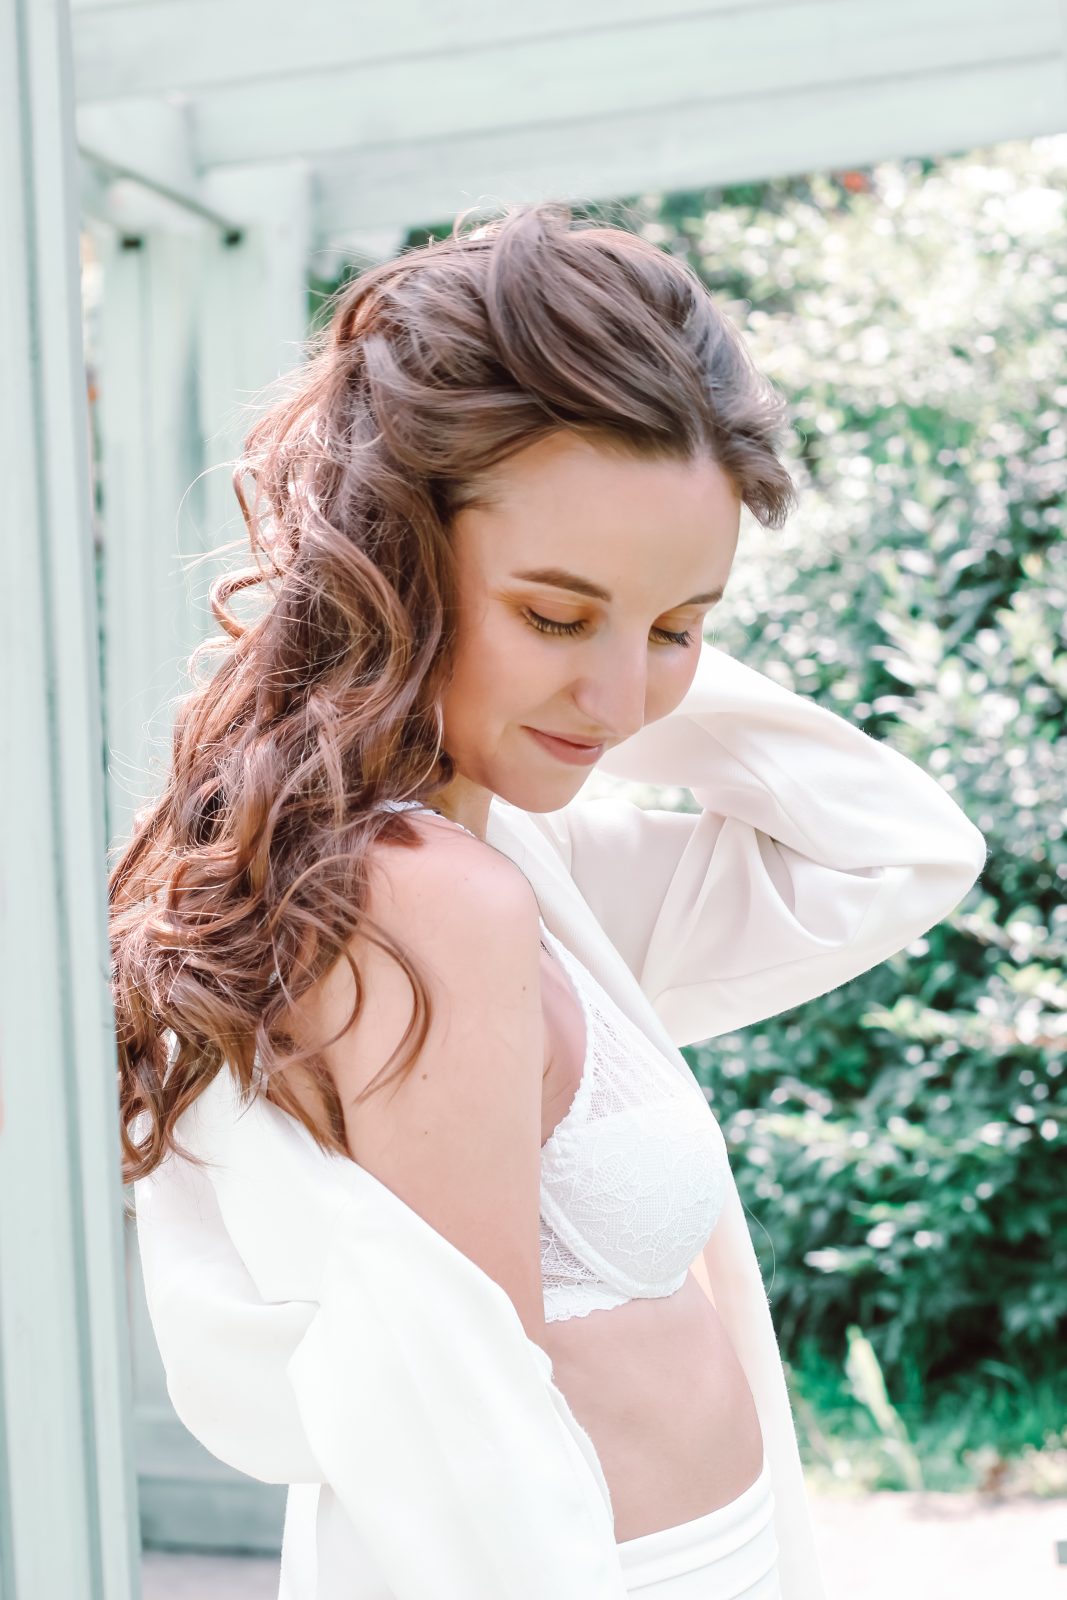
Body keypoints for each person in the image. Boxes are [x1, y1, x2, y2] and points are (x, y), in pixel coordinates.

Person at [113, 201, 987, 1599]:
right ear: (397, 556)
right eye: (556, 614)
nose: (627, 697)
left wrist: (608, 643)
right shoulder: (433, 904)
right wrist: (587, 642)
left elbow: (898, 853)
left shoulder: (522, 862)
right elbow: (472, 1454)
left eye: (683, 630)